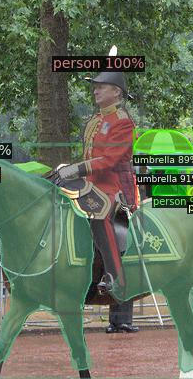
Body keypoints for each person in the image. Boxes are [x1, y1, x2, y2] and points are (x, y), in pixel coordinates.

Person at [56, 53, 139, 333]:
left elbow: (110, 159)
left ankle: (116, 278)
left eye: (101, 86)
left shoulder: (123, 121)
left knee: (98, 214)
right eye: (95, 86)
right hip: (91, 182)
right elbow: (89, 157)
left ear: (116, 92)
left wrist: (76, 169)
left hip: (114, 185)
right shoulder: (94, 120)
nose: (95, 90)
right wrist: (67, 171)